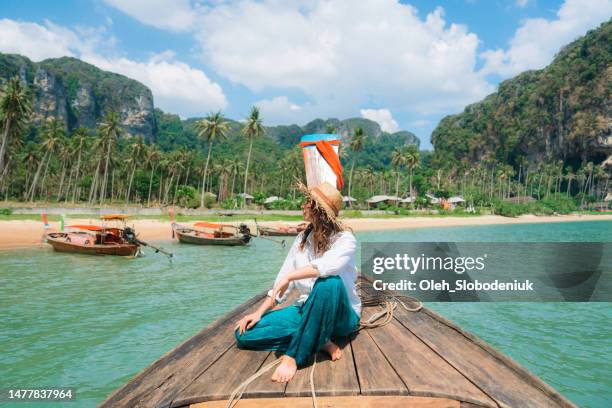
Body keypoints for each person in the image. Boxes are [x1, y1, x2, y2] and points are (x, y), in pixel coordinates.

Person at [235, 182, 361, 383]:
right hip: (306, 309)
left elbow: (327, 267)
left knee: (328, 282)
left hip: (341, 316)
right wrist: (258, 313)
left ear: (319, 211)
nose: (302, 206)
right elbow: (281, 285)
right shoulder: (302, 239)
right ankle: (319, 339)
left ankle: (295, 356)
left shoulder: (345, 239)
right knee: (244, 335)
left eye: (307, 203)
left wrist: (291, 277)